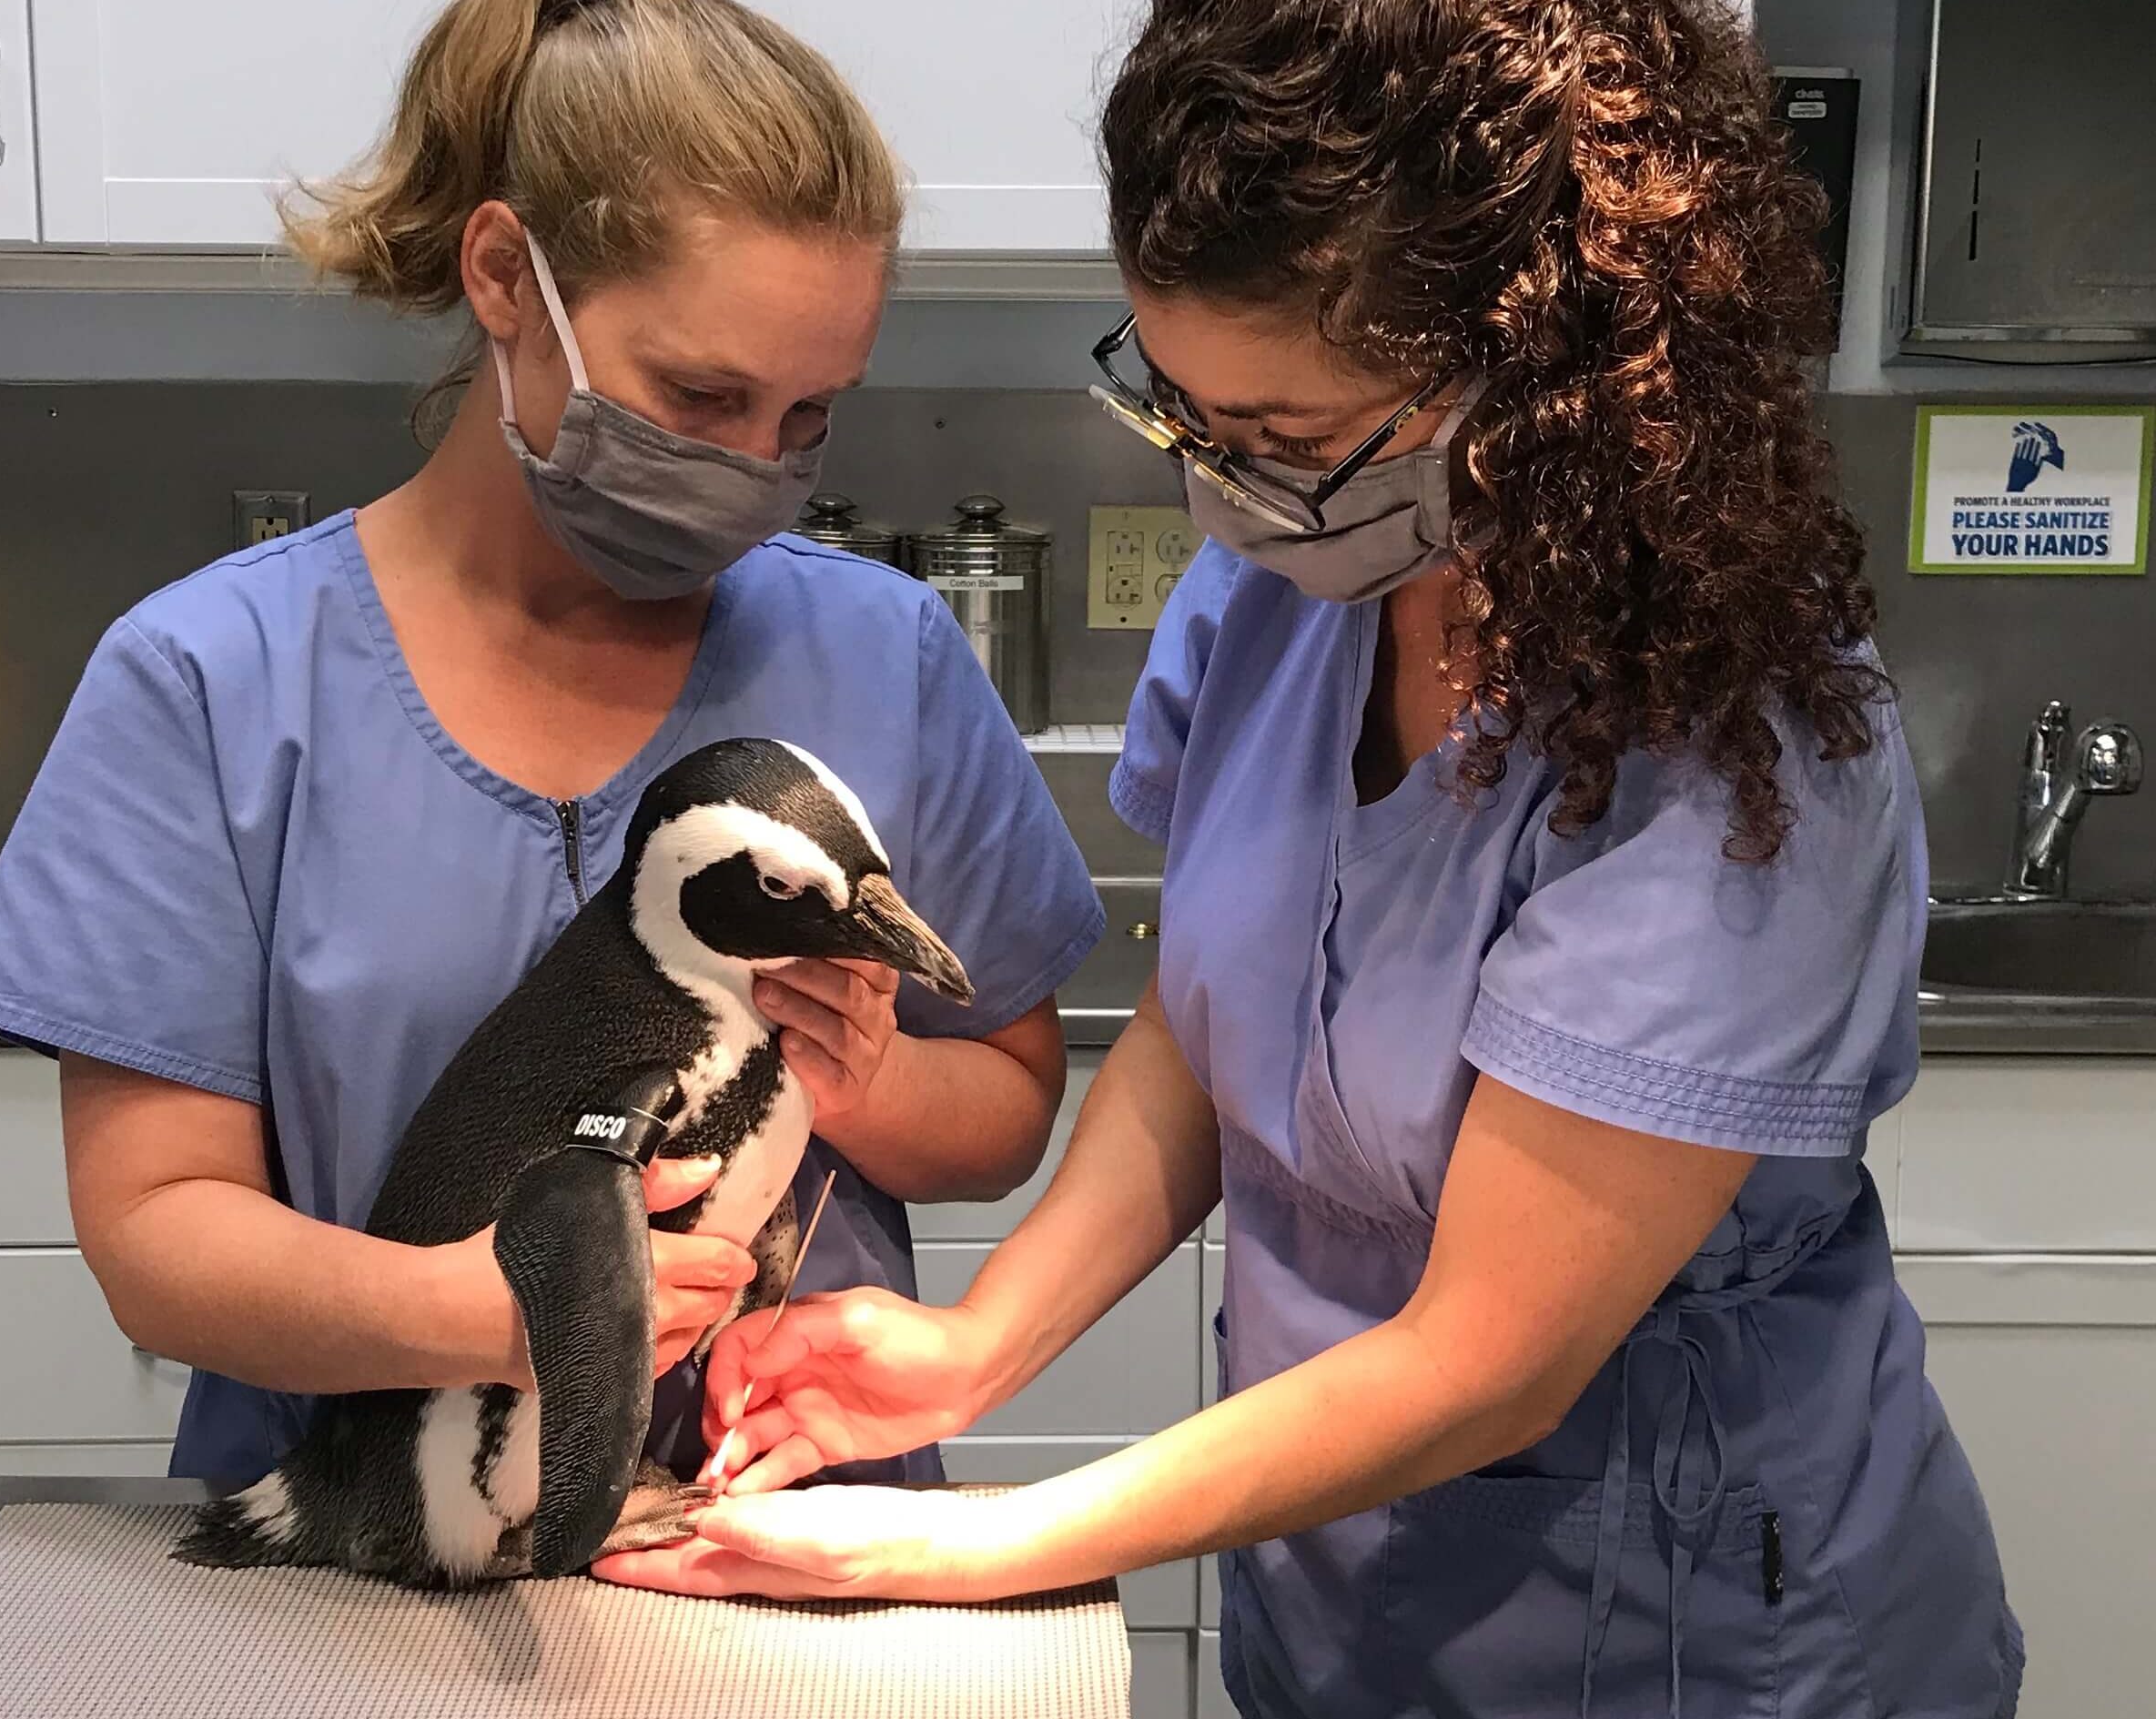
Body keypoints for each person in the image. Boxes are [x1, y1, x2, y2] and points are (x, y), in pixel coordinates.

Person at [597, 3, 2023, 1715]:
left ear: (1535, 361)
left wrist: (967, 1546)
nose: (1227, 497)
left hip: (1687, 1639)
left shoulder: (1732, 740)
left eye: (1282, 436)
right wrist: (979, 1347)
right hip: (1346, 1613)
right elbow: (1213, 1021)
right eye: (1184, 415)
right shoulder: (1298, 590)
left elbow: (1488, 1361)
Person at [0, 0, 1101, 1497]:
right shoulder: (212, 684)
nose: (753, 471)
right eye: (699, 396)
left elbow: (1009, 1097)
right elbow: (159, 1231)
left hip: (774, 1547)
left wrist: (855, 1080)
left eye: (808, 414)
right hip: (370, 1550)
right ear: (506, 278)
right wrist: (485, 1315)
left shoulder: (883, 658)